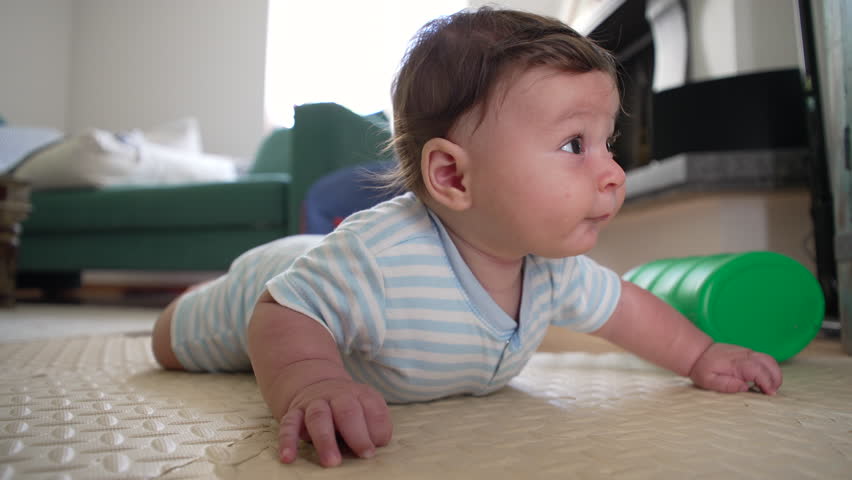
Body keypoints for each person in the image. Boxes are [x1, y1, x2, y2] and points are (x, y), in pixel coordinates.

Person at [151, 7, 783, 468]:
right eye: (573, 145)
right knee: (171, 342)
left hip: (316, 282)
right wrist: (313, 383)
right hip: (277, 283)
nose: (613, 171)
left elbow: (628, 310)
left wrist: (702, 356)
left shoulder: (550, 267)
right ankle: (185, 301)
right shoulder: (380, 258)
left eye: (606, 143)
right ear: (452, 175)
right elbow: (283, 312)